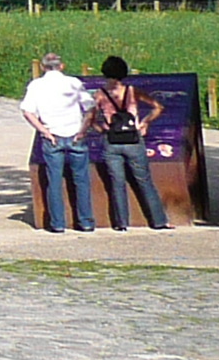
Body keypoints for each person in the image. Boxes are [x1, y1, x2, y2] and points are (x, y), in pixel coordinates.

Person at [89, 57, 172, 233]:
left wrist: (101, 128)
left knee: (116, 182)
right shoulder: (133, 91)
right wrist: (145, 122)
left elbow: (90, 117)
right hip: (133, 139)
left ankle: (121, 223)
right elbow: (158, 107)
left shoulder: (100, 94)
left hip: (112, 140)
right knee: (144, 181)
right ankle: (159, 220)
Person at [21, 52, 95, 234]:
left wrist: (43, 130)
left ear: (43, 67)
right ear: (61, 66)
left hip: (52, 135)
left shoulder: (36, 85)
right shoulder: (73, 83)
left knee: (54, 181)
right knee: (81, 180)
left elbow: (27, 111)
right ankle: (85, 221)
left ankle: (57, 223)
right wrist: (83, 130)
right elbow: (90, 108)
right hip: (75, 134)